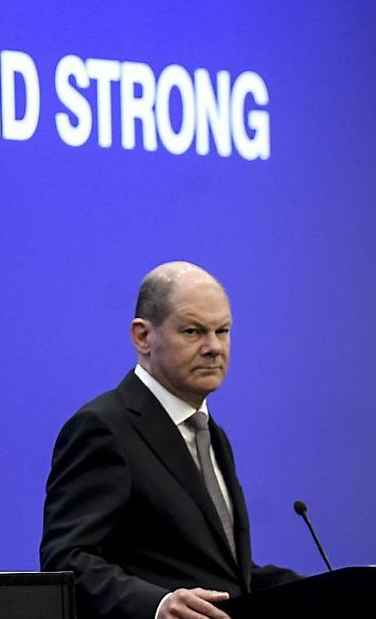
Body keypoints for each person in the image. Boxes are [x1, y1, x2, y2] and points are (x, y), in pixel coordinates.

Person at [40, 262, 298, 619]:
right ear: (143, 336)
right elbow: (67, 562)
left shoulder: (210, 434)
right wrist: (157, 605)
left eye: (222, 331)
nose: (213, 347)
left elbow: (223, 575)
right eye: (193, 331)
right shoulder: (103, 427)